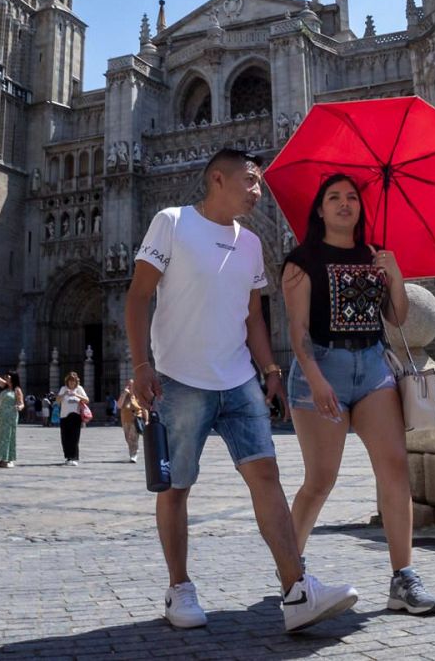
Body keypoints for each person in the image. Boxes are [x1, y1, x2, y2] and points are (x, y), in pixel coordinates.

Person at [127, 148, 358, 633]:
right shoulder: (171, 222)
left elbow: (253, 315)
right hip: (179, 379)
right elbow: (138, 297)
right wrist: (142, 366)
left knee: (266, 478)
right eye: (250, 182)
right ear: (217, 179)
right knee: (176, 487)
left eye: (258, 183)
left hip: (238, 381)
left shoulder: (251, 243)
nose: (258, 192)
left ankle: (296, 591)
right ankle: (179, 587)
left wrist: (270, 368)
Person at [280, 173, 435, 615]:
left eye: (351, 197)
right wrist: (315, 378)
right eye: (334, 197)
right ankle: (290, 573)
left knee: (394, 468)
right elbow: (297, 331)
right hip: (322, 366)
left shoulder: (375, 255)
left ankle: (403, 578)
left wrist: (394, 276)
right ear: (320, 208)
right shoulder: (301, 260)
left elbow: (397, 317)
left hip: (372, 365)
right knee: (320, 480)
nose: (344, 203)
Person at [0, 353, 25, 468]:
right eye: (6, 376)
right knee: (0, 437)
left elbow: (22, 403)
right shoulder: (4, 386)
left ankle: (9, 459)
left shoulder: (17, 390)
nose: (5, 378)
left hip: (11, 416)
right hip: (1, 415)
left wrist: (19, 407)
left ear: (13, 377)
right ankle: (2, 459)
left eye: (8, 376)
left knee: (8, 437)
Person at [56, 372, 89, 465]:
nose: (72, 383)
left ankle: (74, 457)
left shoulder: (79, 389)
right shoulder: (63, 389)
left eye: (73, 381)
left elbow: (87, 400)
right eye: (70, 381)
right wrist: (63, 394)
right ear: (67, 381)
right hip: (64, 416)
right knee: (65, 437)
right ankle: (68, 457)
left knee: (75, 437)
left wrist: (77, 395)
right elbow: (57, 401)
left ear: (76, 382)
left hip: (76, 416)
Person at [118, 378, 146, 463]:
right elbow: (119, 406)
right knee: (128, 438)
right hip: (125, 419)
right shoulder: (124, 395)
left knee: (133, 437)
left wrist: (146, 419)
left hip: (136, 418)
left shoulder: (138, 395)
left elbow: (144, 408)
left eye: (132, 385)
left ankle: (134, 455)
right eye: (129, 385)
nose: (130, 387)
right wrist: (124, 394)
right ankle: (134, 451)